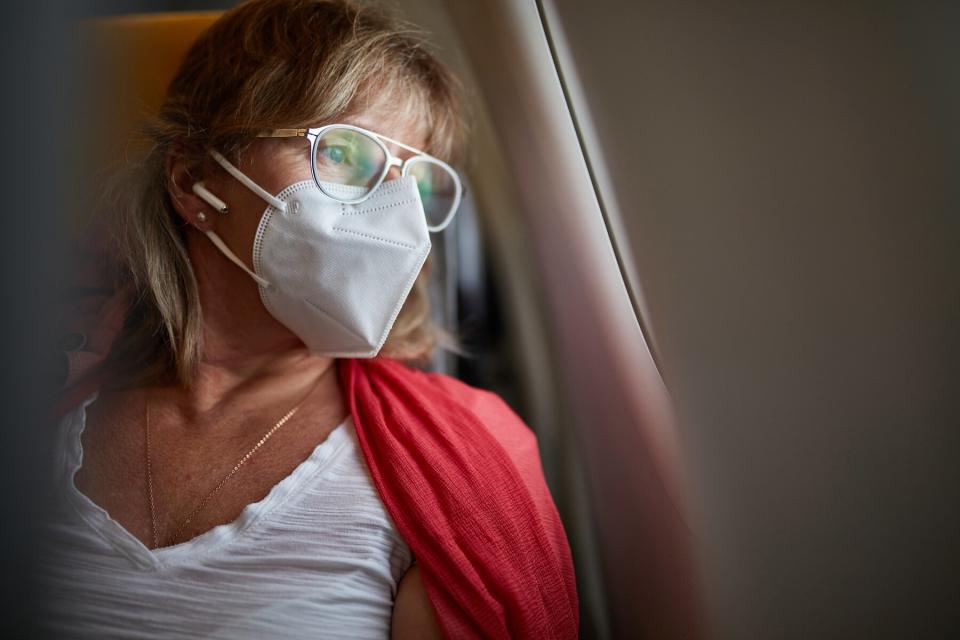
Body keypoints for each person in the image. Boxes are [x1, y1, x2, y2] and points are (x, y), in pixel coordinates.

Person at [40, 0, 579, 638]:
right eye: (347, 156)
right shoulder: (39, 403)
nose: (397, 212)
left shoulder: (457, 462)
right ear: (195, 183)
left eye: (418, 181)